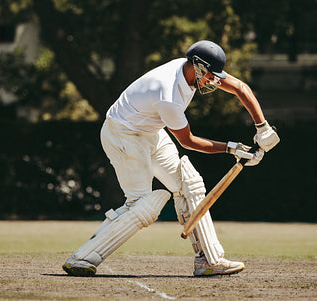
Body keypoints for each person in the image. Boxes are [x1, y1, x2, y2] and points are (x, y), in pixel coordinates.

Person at [62, 40, 280, 277]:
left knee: (189, 185)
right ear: (197, 66)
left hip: (150, 130)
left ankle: (209, 260)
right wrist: (232, 148)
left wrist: (263, 127)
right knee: (142, 205)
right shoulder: (167, 94)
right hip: (122, 134)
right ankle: (83, 258)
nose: (212, 81)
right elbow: (188, 141)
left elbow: (239, 87)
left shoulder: (194, 69)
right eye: (209, 75)